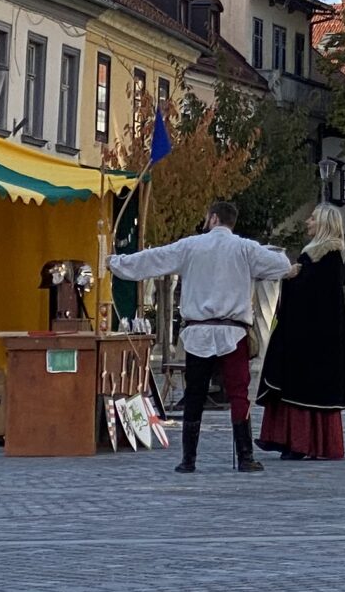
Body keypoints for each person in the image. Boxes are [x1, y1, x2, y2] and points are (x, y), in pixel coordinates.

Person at [108, 199, 295, 474]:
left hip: (199, 331)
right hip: (233, 330)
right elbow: (280, 265)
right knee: (239, 393)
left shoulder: (191, 245)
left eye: (208, 217)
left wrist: (115, 263)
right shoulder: (245, 248)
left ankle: (189, 460)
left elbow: (154, 258)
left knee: (194, 393)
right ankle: (245, 457)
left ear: (214, 219)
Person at [255, 206, 345, 460]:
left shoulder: (320, 256)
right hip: (318, 337)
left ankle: (300, 443)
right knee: (303, 386)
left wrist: (289, 278)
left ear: (323, 223)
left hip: (307, 338)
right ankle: (302, 442)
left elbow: (307, 297)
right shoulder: (326, 256)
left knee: (300, 387)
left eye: (313, 218)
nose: (307, 221)